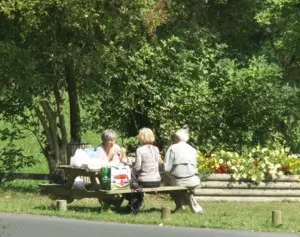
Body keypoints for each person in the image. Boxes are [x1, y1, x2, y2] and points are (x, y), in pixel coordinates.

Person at [164, 129, 204, 214]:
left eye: (174, 137)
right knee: (184, 190)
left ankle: (180, 205)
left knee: (168, 184)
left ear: (178, 137)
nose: (173, 138)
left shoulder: (172, 148)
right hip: (193, 180)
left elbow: (166, 168)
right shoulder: (192, 149)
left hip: (179, 181)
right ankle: (196, 208)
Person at [126, 128, 162, 213]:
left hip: (146, 181)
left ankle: (134, 206)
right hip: (157, 181)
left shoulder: (140, 150)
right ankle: (132, 205)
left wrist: (131, 165)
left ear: (141, 137)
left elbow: (137, 168)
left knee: (131, 180)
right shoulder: (156, 149)